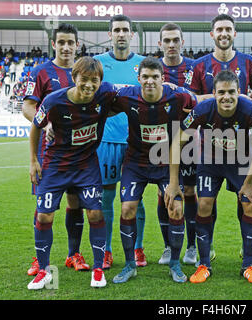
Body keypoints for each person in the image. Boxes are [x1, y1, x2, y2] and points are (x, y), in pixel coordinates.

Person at [27, 57, 123, 289]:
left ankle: (98, 270)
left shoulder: (106, 94)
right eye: (84, 79)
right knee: (44, 216)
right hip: (56, 166)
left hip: (86, 165)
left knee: (95, 214)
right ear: (74, 78)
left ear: (101, 81)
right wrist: (33, 161)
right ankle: (43, 271)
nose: (89, 85)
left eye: (95, 80)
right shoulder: (53, 101)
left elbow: (130, 96)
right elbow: (35, 127)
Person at [165, 70, 252, 284]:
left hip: (240, 160)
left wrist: (249, 183)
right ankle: (204, 264)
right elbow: (178, 142)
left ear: (240, 92)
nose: (226, 97)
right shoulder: (203, 109)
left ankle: (248, 265)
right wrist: (174, 183)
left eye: (232, 92)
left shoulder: (250, 109)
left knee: (250, 204)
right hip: (210, 162)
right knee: (203, 204)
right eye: (221, 92)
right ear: (214, 93)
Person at [185, 14, 252, 264]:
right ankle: (204, 252)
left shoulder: (248, 61)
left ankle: (248, 253)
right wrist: (216, 99)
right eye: (219, 29)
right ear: (212, 34)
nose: (223, 33)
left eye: (228, 29)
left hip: (242, 149)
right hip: (208, 147)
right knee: (206, 200)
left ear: (235, 33)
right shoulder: (199, 65)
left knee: (247, 199)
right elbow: (190, 101)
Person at [111, 57, 198, 284]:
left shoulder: (178, 96)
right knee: (128, 208)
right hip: (136, 162)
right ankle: (130, 264)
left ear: (163, 79)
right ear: (139, 78)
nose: (150, 81)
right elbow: (101, 105)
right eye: (145, 77)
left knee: (176, 207)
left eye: (155, 77)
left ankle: (175, 264)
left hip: (164, 162)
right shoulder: (126, 96)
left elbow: (198, 107)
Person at [22, 23, 90, 276]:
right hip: (48, 153)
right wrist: (46, 121)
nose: (66, 47)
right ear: (54, 44)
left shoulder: (84, 71)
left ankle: (74, 254)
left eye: (70, 42)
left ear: (77, 44)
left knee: (76, 202)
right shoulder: (40, 72)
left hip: (78, 153)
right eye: (61, 42)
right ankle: (40, 259)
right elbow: (27, 106)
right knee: (44, 206)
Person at [93, 15, 146, 269]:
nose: (122, 34)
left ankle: (138, 249)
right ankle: (106, 250)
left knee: (137, 199)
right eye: (117, 30)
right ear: (110, 34)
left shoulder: (143, 65)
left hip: (138, 143)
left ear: (132, 35)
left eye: (126, 29)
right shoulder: (98, 64)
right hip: (106, 140)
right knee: (106, 197)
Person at [157, 22, 198, 265]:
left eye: (175, 40)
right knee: (164, 193)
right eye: (167, 40)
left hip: (191, 139)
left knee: (191, 192)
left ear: (183, 42)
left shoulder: (195, 68)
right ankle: (167, 246)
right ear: (159, 43)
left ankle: (192, 246)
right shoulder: (151, 68)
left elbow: (205, 98)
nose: (171, 44)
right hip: (160, 139)